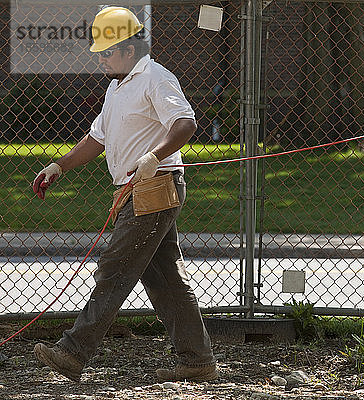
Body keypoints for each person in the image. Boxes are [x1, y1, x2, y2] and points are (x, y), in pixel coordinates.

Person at [31, 6, 217, 383]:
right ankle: (197, 362)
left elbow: (185, 122)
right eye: (99, 52)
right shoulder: (117, 85)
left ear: (130, 48)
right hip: (137, 190)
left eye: (107, 51)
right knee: (166, 280)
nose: (101, 59)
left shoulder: (154, 77)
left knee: (114, 269)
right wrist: (59, 166)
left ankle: (72, 352)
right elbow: (96, 138)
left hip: (155, 187)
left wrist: (153, 156)